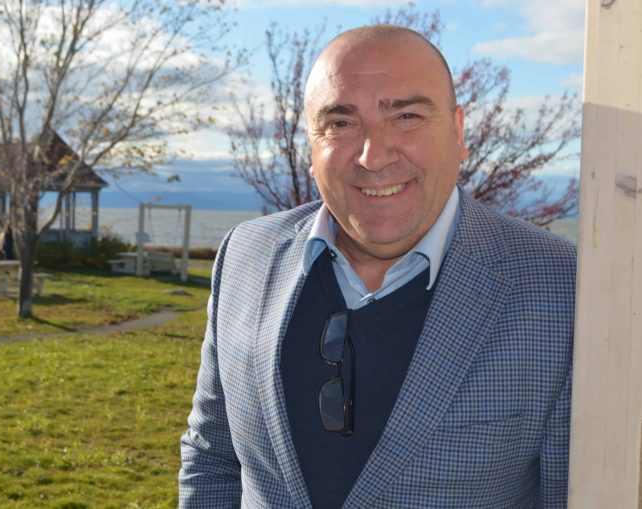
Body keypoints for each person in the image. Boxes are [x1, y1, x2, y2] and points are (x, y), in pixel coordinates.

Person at [180, 25, 575, 508]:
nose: (373, 155)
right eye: (341, 123)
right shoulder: (246, 255)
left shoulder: (560, 287)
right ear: (311, 145)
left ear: (457, 132)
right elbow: (213, 456)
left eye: (407, 116)